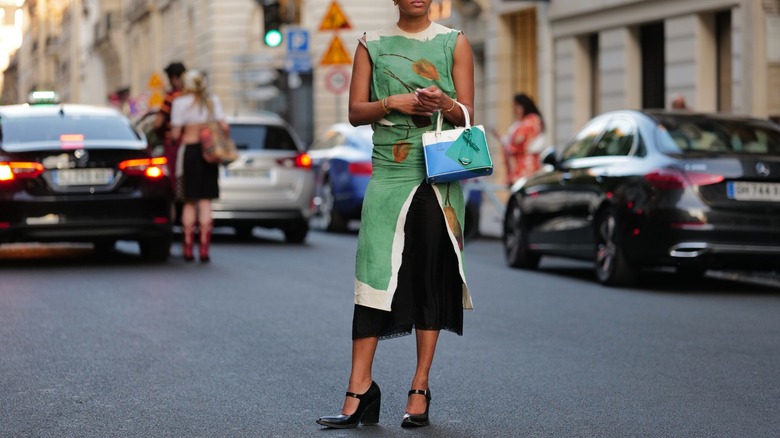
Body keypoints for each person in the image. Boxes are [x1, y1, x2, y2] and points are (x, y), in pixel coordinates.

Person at [316, 0, 475, 430]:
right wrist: (392, 102)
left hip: (438, 175)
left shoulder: (454, 42)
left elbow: (467, 116)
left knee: (429, 275)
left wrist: (444, 102)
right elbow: (355, 113)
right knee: (372, 272)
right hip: (388, 173)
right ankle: (359, 388)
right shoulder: (371, 44)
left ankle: (419, 387)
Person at [169, 70, 227, 263]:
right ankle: (204, 249)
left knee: (189, 201)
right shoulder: (212, 101)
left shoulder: (180, 103)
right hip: (209, 153)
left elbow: (175, 134)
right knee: (205, 201)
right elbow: (224, 127)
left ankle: (187, 248)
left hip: (190, 152)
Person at [154, 62, 187, 193]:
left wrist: (158, 134)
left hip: (174, 143)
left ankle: (177, 200)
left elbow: (158, 122)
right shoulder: (191, 96)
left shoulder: (172, 96)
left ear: (173, 78)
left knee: (174, 176)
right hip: (192, 144)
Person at [500, 93, 545, 185]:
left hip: (526, 165)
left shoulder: (531, 120)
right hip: (518, 164)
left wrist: (509, 146)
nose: (515, 110)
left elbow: (519, 141)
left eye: (517, 106)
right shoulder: (521, 122)